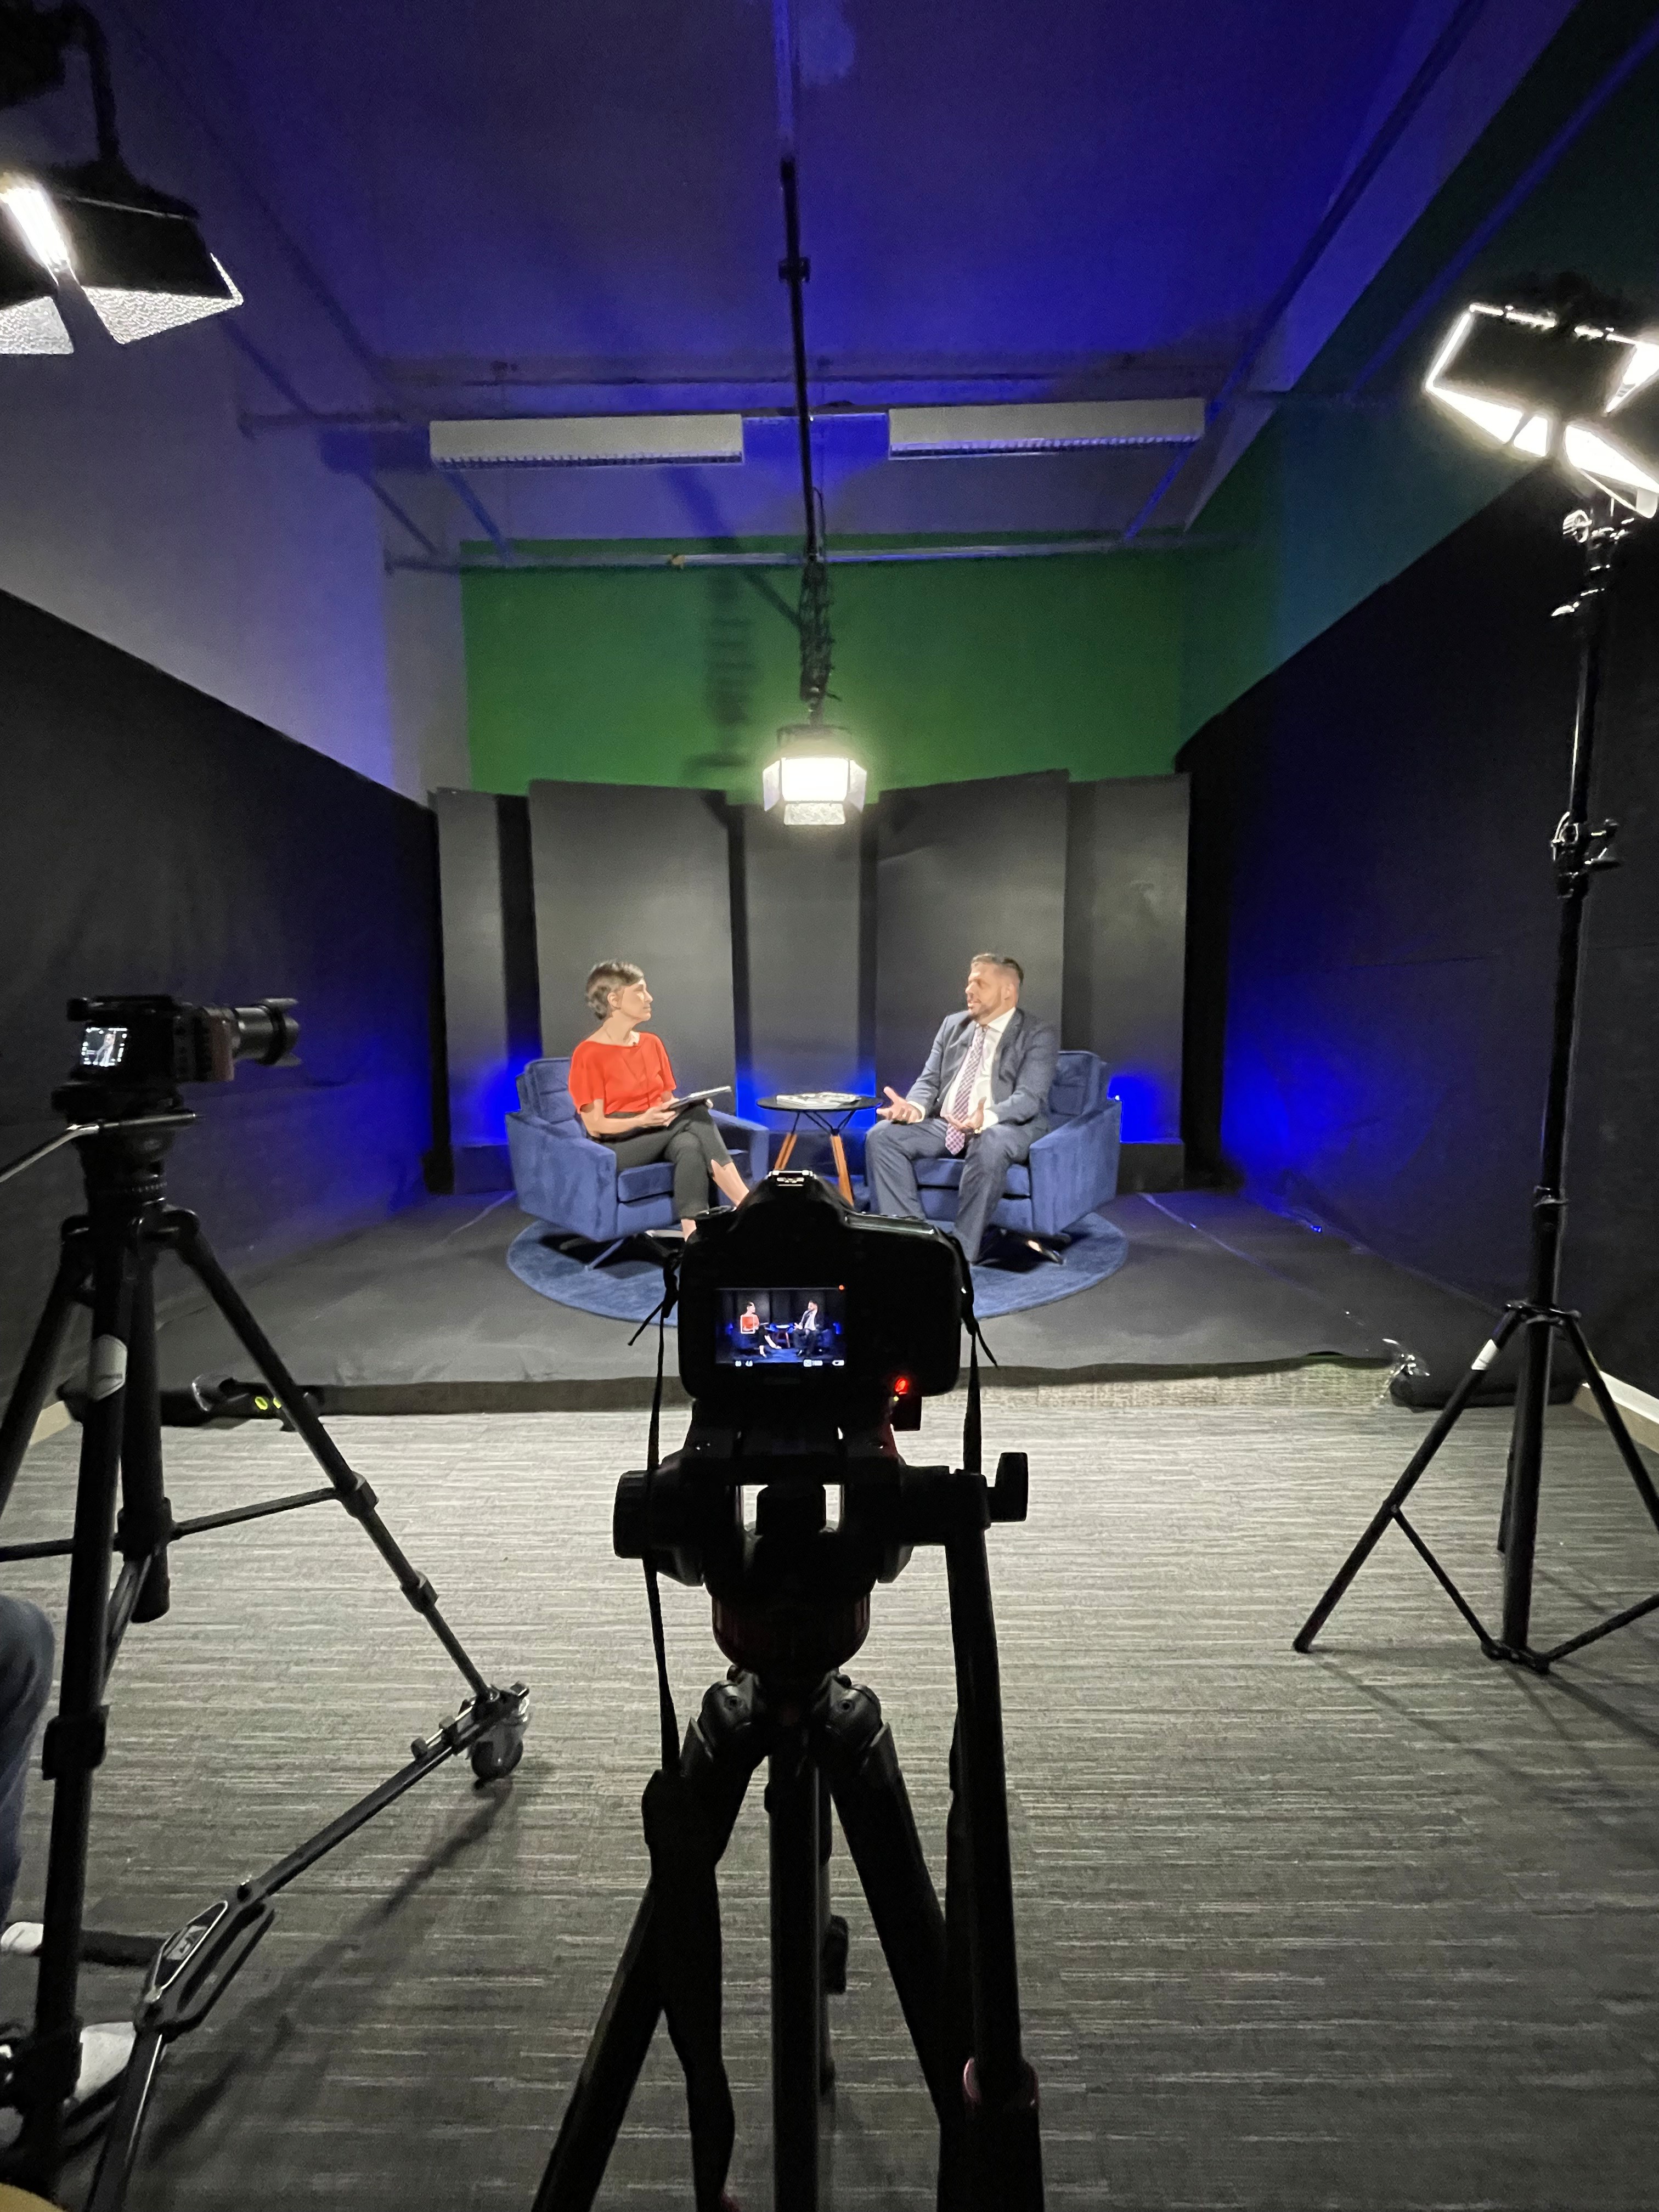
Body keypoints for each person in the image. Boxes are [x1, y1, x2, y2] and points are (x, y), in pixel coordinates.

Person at [864, 952, 1058, 1265]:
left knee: (990, 1141)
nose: (969, 991)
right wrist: (913, 1108)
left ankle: (961, 1254)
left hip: (1009, 1126)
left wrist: (988, 1117)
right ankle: (913, 1240)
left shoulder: (1037, 1033)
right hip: (950, 1123)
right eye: (969, 983)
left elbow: (1029, 1098)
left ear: (1008, 991)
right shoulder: (954, 1025)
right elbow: (930, 1080)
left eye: (980, 984)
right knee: (883, 1137)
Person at [569, 961, 749, 1238]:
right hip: (618, 1145)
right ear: (614, 1000)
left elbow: (667, 1100)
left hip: (657, 1130)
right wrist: (643, 1119)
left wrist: (687, 1105)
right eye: (640, 991)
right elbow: (595, 1126)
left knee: (689, 1143)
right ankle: (748, 1205)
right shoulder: (589, 1054)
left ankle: (693, 1238)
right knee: (696, 1119)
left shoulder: (652, 1043)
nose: (649, 998)